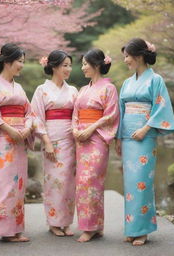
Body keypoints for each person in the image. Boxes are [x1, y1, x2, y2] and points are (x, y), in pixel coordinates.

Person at [0, 43, 45, 242]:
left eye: (23, 62)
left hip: (20, 139)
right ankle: (5, 230)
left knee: (19, 183)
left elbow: (30, 113)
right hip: (3, 140)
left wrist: (27, 128)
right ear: (7, 62)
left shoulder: (20, 87)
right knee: (5, 183)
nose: (22, 65)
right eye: (20, 61)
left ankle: (16, 229)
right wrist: (11, 130)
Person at [115, 38, 174, 246]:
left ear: (139, 56)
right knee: (130, 184)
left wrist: (146, 128)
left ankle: (142, 230)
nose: (125, 60)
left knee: (142, 183)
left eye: (127, 56)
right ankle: (132, 228)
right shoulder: (126, 82)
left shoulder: (155, 80)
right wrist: (118, 137)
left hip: (145, 136)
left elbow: (161, 107)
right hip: (128, 136)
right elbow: (121, 111)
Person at [72, 48, 120, 242]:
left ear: (97, 65)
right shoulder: (83, 89)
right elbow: (75, 113)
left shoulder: (109, 88)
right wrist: (75, 129)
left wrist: (90, 129)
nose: (83, 67)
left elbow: (111, 115)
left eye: (85, 64)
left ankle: (90, 227)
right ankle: (95, 225)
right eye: (82, 64)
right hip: (81, 139)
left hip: (97, 138)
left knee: (92, 181)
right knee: (81, 181)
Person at [31, 50, 78, 237]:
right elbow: (36, 117)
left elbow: (77, 116)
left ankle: (66, 222)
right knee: (53, 181)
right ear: (53, 67)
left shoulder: (73, 90)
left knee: (68, 181)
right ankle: (53, 222)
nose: (68, 69)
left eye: (69, 65)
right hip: (51, 140)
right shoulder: (41, 90)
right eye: (64, 65)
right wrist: (46, 141)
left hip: (70, 140)